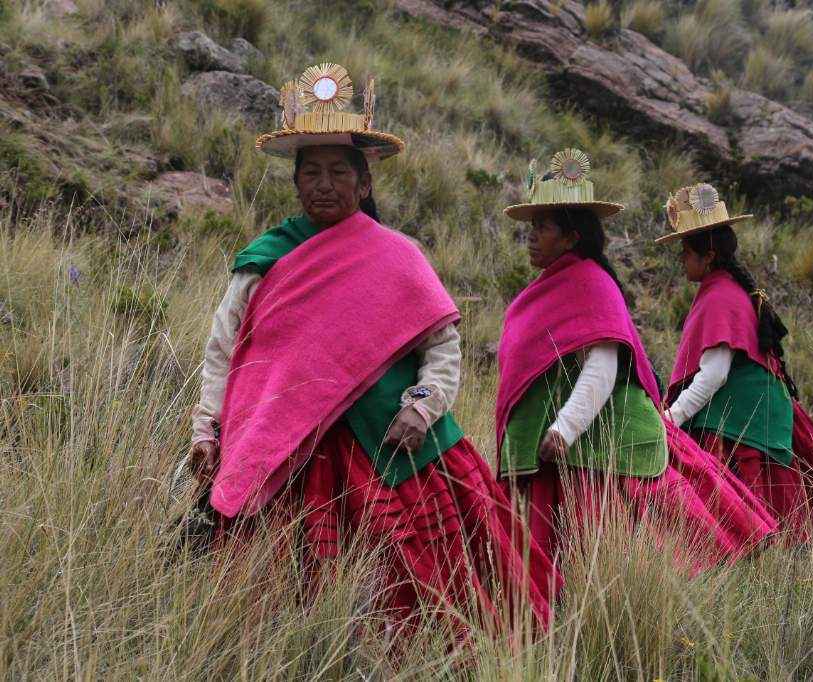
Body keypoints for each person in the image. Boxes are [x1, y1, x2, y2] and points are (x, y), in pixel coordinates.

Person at [185, 63, 558, 628]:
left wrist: (424, 405)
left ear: (364, 184)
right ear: (296, 182)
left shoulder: (397, 256)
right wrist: (206, 427)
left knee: (426, 583)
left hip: (388, 438)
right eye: (311, 172)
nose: (324, 184)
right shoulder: (265, 258)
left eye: (339, 171)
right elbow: (225, 352)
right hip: (290, 443)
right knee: (278, 588)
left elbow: (443, 346)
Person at [495, 150, 777, 572]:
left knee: (628, 562)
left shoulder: (593, 285)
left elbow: (603, 366)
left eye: (544, 227)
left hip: (600, 446)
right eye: (531, 227)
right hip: (571, 450)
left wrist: (565, 427)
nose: (531, 237)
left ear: (572, 237)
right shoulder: (555, 286)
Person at [657, 183, 813, 539]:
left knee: (748, 528)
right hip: (752, 419)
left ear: (707, 256)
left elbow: (714, 375)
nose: (681, 258)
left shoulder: (720, 297)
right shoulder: (726, 289)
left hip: (742, 427)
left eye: (685, 250)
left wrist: (670, 420)